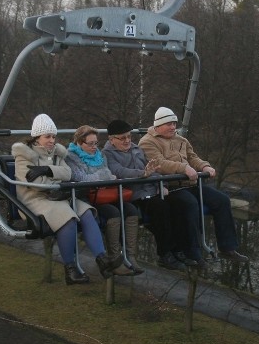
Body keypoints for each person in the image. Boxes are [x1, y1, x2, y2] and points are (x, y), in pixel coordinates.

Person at [12, 114, 122, 285]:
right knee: (68, 218)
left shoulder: (57, 153)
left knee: (86, 211)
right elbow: (35, 185)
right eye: (47, 136)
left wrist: (47, 170)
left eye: (53, 136)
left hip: (58, 196)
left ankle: (102, 259)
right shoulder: (24, 156)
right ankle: (70, 269)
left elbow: (68, 173)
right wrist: (55, 176)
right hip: (35, 200)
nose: (51, 140)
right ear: (36, 137)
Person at [139, 107, 249, 266]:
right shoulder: (148, 142)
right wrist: (183, 168)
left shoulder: (181, 140)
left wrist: (204, 167)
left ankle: (227, 247)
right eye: (169, 124)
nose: (172, 127)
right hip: (170, 187)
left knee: (222, 200)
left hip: (189, 183)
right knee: (190, 205)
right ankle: (193, 253)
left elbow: (192, 158)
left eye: (174, 123)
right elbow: (159, 164)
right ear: (158, 126)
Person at [102, 119, 195, 271]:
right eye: (122, 138)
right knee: (160, 208)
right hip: (132, 194)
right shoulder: (107, 155)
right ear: (111, 140)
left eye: (129, 137)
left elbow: (154, 167)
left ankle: (180, 249)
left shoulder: (136, 149)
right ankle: (164, 253)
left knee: (179, 204)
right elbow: (119, 171)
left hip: (152, 190)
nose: (127, 141)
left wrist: (162, 185)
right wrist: (143, 174)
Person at [65, 125, 143, 276]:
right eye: (90, 144)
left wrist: (101, 176)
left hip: (105, 194)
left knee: (131, 211)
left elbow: (107, 174)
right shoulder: (71, 157)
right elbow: (82, 178)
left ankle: (130, 255)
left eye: (96, 143)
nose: (95, 147)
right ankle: (115, 258)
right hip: (88, 198)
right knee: (113, 213)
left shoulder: (100, 155)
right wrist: (103, 176)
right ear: (80, 143)